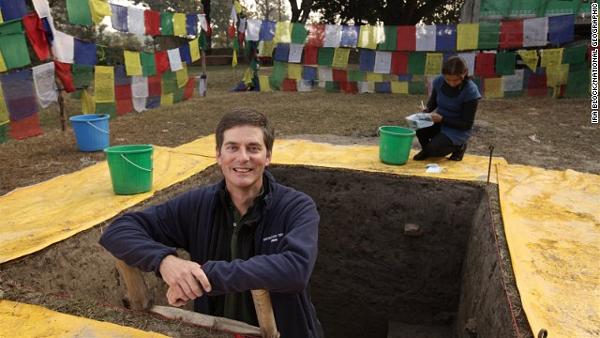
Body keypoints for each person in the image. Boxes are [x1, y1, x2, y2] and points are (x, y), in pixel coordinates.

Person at [99, 108, 323, 338]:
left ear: (268, 156)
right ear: (218, 155)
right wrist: (166, 262)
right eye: (232, 147)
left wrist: (204, 276)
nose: (243, 157)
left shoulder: (296, 207)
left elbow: (296, 268)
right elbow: (119, 230)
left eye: (253, 148)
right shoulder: (199, 205)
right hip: (218, 332)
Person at [413, 56, 482, 161]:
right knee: (420, 128)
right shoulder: (439, 81)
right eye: (448, 79)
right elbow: (433, 101)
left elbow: (466, 124)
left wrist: (442, 119)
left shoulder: (470, 91)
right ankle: (428, 150)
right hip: (440, 122)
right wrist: (426, 110)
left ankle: (460, 146)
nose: (451, 83)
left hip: (458, 128)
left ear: (464, 73)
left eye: (455, 80)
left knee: (435, 148)